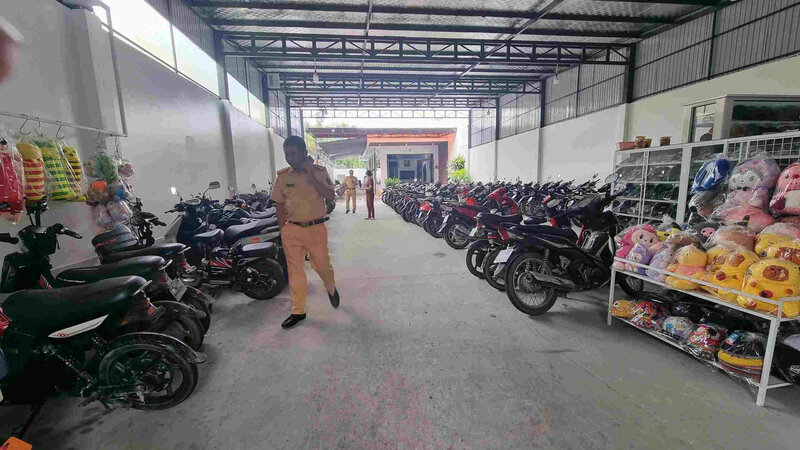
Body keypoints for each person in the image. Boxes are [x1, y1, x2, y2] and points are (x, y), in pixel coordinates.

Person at [271, 136, 340, 329]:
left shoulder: (319, 171)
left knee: (322, 266)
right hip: (292, 229)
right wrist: (283, 227)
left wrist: (310, 174)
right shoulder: (283, 176)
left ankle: (331, 287)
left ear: (304, 153)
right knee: (296, 271)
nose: (290, 157)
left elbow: (329, 195)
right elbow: (279, 204)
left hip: (316, 229)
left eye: (294, 153)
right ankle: (298, 310)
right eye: (287, 154)